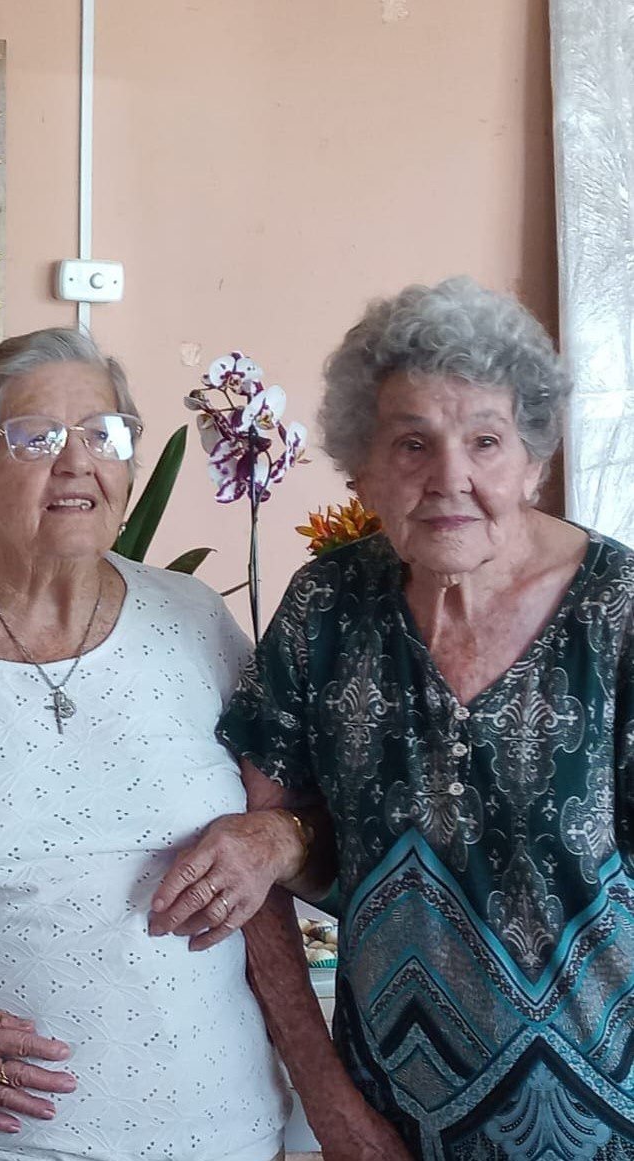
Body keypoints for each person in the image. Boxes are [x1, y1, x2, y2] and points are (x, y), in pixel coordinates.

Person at [0, 327, 298, 1161]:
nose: (77, 463)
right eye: (35, 438)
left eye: (104, 434)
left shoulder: (195, 622)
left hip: (211, 1127)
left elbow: (282, 837)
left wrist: (280, 836)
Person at [167, 276, 634, 1159]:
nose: (450, 478)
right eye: (412, 443)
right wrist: (329, 1101)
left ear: (534, 457)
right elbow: (258, 851)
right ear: (361, 465)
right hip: (385, 1124)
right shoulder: (326, 609)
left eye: (486, 441)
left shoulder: (619, 616)